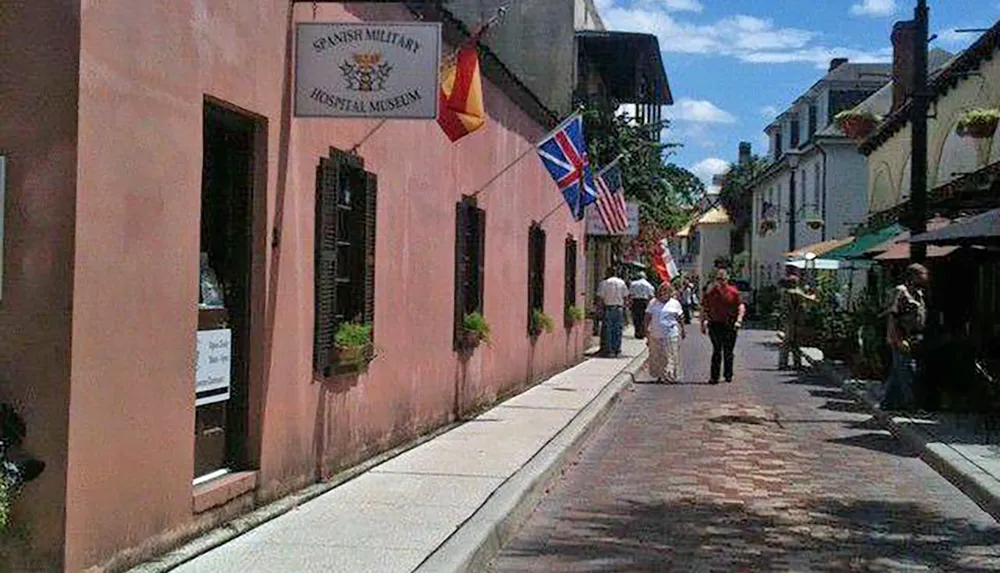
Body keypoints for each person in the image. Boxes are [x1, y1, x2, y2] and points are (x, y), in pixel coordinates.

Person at [882, 263, 929, 411]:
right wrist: (897, 339)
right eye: (922, 274)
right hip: (902, 336)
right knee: (907, 372)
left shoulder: (919, 293)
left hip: (915, 338)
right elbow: (892, 316)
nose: (925, 277)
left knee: (898, 372)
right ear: (913, 276)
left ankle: (887, 403)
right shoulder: (901, 292)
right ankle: (911, 405)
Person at [700, 268, 746, 384]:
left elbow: (740, 306)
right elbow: (704, 308)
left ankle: (728, 374)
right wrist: (702, 323)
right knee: (716, 350)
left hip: (730, 324)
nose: (721, 281)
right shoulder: (710, 292)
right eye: (719, 279)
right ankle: (714, 377)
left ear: (727, 279)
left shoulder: (733, 292)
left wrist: (739, 320)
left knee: (728, 350)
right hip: (715, 323)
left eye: (723, 279)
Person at [645, 283, 686, 383]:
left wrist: (683, 329)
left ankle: (669, 375)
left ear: (670, 292)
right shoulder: (653, 303)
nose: (664, 292)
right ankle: (660, 375)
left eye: (667, 290)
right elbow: (647, 316)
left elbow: (680, 317)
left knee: (670, 355)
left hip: (670, 333)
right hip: (655, 333)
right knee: (657, 356)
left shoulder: (675, 303)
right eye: (662, 290)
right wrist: (646, 330)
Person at [778, 275, 817, 370]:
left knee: (794, 342)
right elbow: (809, 299)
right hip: (793, 320)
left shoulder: (787, 292)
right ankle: (784, 363)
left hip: (790, 319)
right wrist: (814, 293)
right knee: (788, 341)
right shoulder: (793, 292)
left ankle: (795, 363)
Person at [597, 267, 629, 357]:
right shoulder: (621, 283)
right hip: (619, 308)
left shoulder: (604, 283)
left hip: (608, 308)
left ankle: (609, 350)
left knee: (608, 330)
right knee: (618, 330)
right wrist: (625, 308)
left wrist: (599, 309)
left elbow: (600, 298)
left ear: (607, 273)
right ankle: (617, 350)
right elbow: (626, 297)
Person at [629, 272, 655, 339]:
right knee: (643, 318)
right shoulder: (648, 285)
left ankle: (637, 332)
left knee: (636, 318)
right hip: (644, 302)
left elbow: (630, 294)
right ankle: (642, 333)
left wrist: (630, 303)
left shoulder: (633, 284)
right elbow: (651, 296)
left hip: (635, 301)